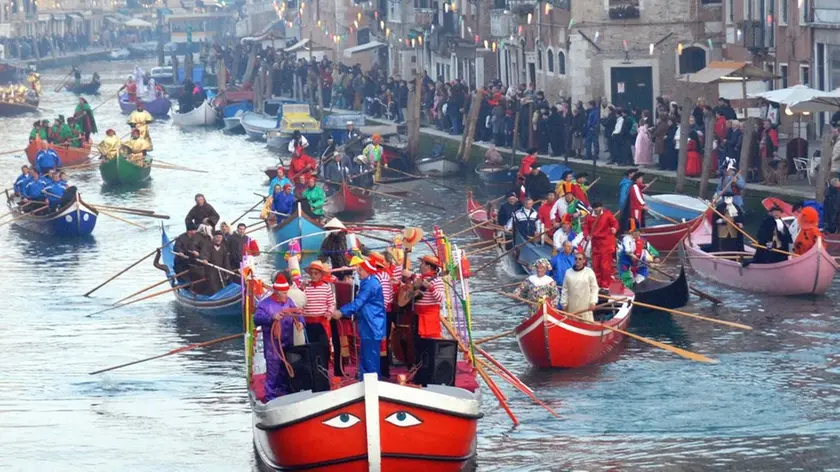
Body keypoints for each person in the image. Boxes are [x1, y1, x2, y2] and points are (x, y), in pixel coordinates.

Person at [332, 258, 386, 378]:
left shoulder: (369, 284)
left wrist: (341, 311)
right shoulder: (370, 281)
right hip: (370, 322)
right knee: (367, 355)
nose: (358, 272)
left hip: (371, 323)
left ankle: (371, 383)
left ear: (367, 270)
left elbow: (358, 303)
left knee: (369, 357)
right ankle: (368, 380)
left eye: (360, 270)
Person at [254, 274, 303, 401]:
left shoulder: (289, 301)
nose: (286, 296)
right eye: (284, 293)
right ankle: (270, 396)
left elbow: (297, 312)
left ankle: (285, 392)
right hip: (273, 345)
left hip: (288, 341)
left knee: (286, 368)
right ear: (276, 292)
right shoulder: (264, 304)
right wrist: (272, 317)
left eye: (287, 293)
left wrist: (301, 322)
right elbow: (257, 319)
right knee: (273, 371)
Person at [406, 255, 445, 340]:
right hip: (417, 315)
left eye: (422, 263)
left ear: (429, 266)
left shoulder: (437, 281)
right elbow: (413, 277)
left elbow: (441, 298)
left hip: (430, 316)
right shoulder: (419, 277)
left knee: (430, 340)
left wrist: (431, 288)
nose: (420, 265)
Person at [584, 201, 619, 289]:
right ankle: (597, 284)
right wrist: (586, 236)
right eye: (596, 209)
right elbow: (586, 228)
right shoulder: (589, 217)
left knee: (605, 266)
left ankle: (605, 285)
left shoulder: (607, 214)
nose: (597, 211)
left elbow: (615, 223)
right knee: (596, 265)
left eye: (599, 209)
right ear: (593, 209)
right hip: (596, 244)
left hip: (606, 243)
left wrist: (614, 228)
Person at [302, 260, 336, 348]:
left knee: (324, 347)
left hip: (322, 322)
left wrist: (329, 312)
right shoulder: (305, 288)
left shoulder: (326, 288)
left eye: (316, 273)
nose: (313, 275)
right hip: (308, 322)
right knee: (310, 347)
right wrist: (301, 289)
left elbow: (331, 304)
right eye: (311, 273)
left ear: (321, 274)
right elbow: (300, 303)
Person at [560, 252, 599, 321]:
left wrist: (593, 302)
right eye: (576, 259)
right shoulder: (568, 272)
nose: (577, 260)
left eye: (580, 259)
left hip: (585, 306)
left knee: (587, 323)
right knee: (571, 323)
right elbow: (565, 289)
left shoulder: (589, 272)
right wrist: (564, 302)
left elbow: (594, 288)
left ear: (584, 260)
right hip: (572, 306)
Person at [201, 230, 233, 294]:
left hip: (221, 269)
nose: (219, 239)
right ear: (214, 237)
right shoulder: (208, 245)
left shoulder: (223, 247)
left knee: (223, 283)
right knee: (213, 285)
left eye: (220, 237)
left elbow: (226, 261)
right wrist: (205, 259)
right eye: (217, 237)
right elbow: (203, 254)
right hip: (210, 269)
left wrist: (227, 272)